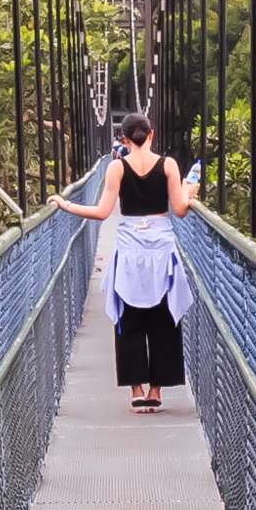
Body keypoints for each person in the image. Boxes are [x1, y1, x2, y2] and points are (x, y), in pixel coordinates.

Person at [56, 113, 197, 410]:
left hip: (130, 247)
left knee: (129, 318)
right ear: (151, 134)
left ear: (123, 138)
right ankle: (157, 390)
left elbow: (102, 212)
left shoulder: (116, 168)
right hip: (160, 247)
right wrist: (188, 191)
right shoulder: (168, 165)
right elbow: (181, 210)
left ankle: (136, 389)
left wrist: (66, 204)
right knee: (163, 316)